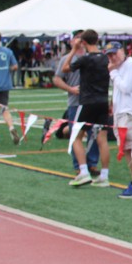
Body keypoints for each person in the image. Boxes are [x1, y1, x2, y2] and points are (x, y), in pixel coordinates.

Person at [62, 30, 111, 187]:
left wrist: (73, 50)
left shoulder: (85, 59)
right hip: (103, 101)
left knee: (76, 136)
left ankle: (83, 172)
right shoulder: (105, 58)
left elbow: (65, 68)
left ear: (83, 42)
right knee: (102, 139)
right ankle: (104, 176)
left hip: (87, 102)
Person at [52, 33, 100, 175]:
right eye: (77, 38)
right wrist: (70, 89)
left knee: (94, 134)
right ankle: (79, 166)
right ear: (72, 41)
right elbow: (57, 79)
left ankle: (92, 164)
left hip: (92, 102)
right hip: (75, 102)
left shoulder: (93, 56)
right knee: (76, 135)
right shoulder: (66, 59)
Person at [106, 42, 132, 198]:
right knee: (128, 149)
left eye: (114, 53)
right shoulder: (120, 67)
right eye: (109, 55)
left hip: (130, 113)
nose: (112, 57)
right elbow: (119, 89)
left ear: (122, 51)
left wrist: (113, 72)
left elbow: (126, 87)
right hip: (122, 113)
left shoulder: (130, 64)